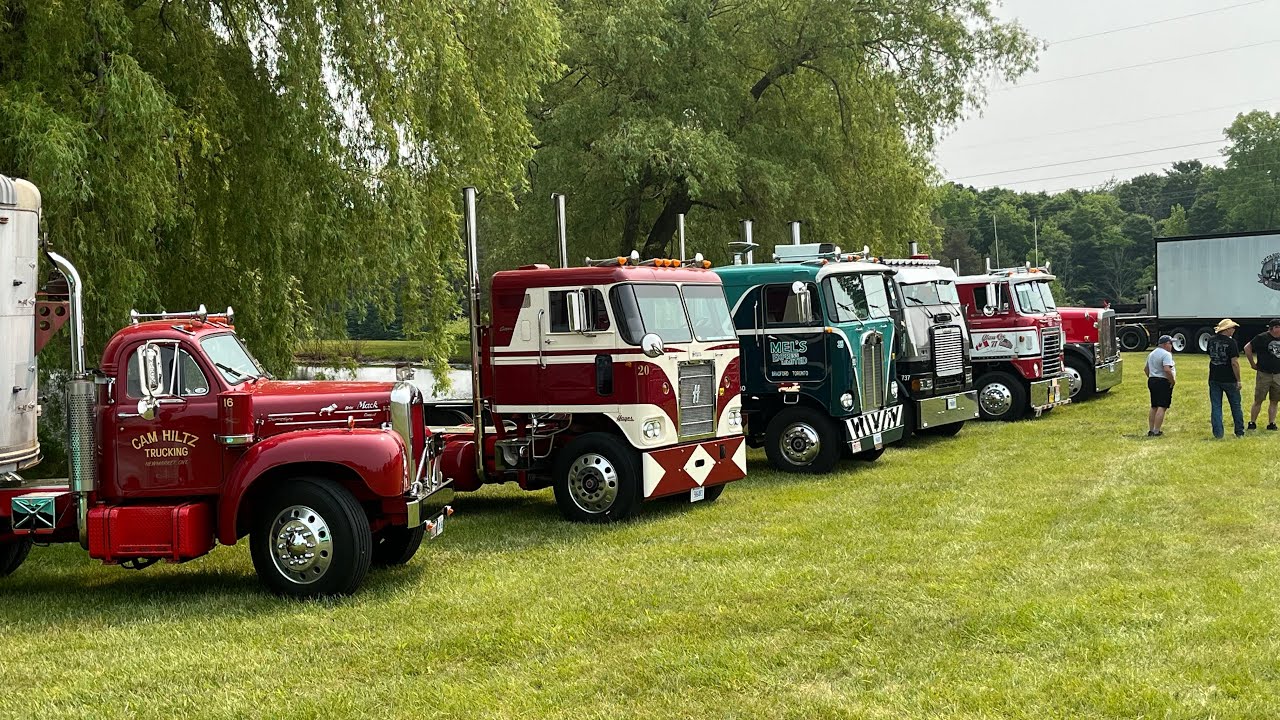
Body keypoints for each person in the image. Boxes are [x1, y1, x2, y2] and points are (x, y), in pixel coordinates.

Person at [1206, 319, 1244, 439]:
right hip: (1229, 379)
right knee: (1236, 406)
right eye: (1232, 328)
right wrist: (1238, 379)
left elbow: (1210, 355)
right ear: (1227, 329)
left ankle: (1218, 434)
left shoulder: (1211, 340)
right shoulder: (1231, 343)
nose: (1233, 330)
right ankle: (1239, 431)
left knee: (1216, 406)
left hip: (1214, 377)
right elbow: (1234, 363)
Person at [1244, 318, 1280, 431]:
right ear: (1275, 328)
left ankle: (1271, 423)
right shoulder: (1262, 337)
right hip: (1264, 374)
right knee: (1259, 399)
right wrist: (1252, 363)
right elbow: (1247, 348)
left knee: (1275, 400)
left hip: (1278, 374)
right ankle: (1252, 422)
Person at [1144, 335, 1176, 437]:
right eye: (1171, 343)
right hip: (1162, 381)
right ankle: (1157, 431)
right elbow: (1167, 369)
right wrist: (1172, 381)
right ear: (1166, 344)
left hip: (1152, 380)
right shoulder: (1166, 354)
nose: (1172, 346)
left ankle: (1151, 429)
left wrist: (1152, 376)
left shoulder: (1151, 354)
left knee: (1154, 406)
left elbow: (1146, 369)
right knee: (1162, 406)